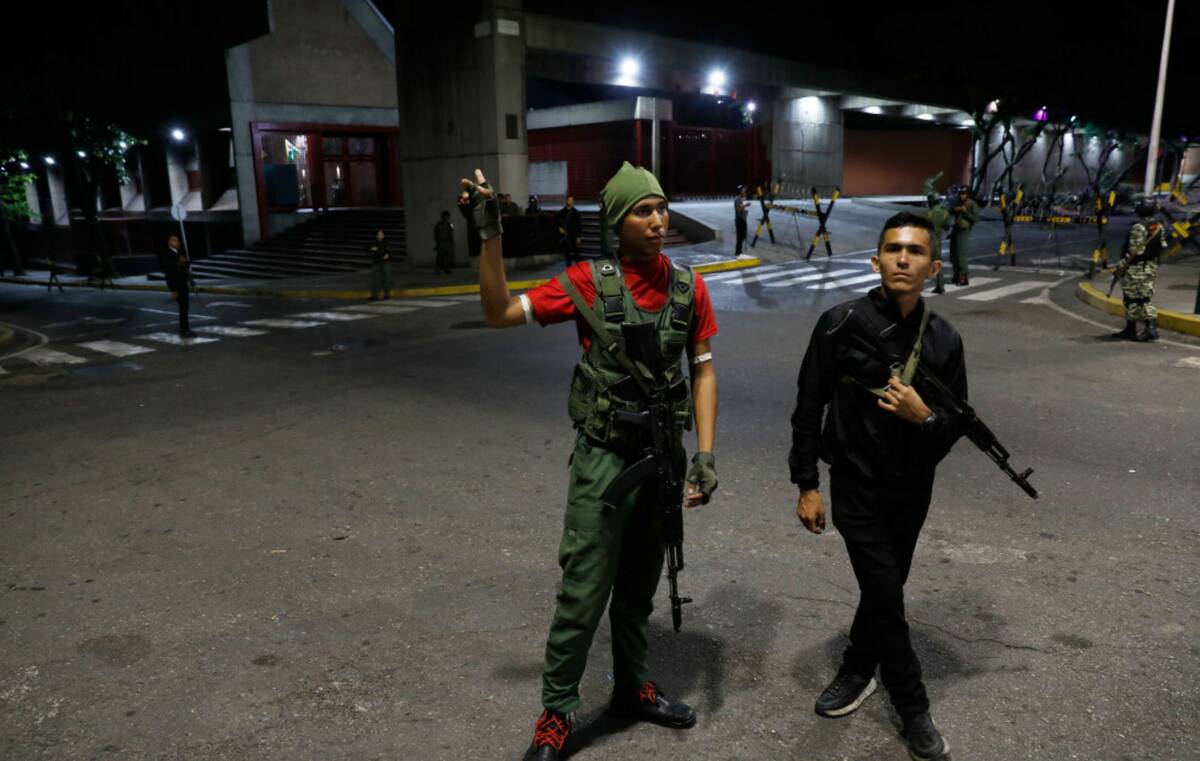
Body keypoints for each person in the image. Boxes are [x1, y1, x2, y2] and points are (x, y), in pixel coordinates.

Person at [458, 162, 719, 761]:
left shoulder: (688, 287)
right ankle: (556, 714)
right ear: (616, 222)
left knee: (638, 588)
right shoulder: (582, 282)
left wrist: (704, 453)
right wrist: (489, 234)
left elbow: (702, 372)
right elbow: (497, 312)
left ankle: (632, 688)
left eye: (660, 208)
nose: (657, 221)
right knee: (583, 591)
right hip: (604, 459)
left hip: (661, 459)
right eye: (642, 211)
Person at [789, 211, 966, 761]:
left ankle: (859, 664)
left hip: (913, 489)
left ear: (933, 267)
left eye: (915, 252)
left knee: (882, 592)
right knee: (887, 595)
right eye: (893, 249)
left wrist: (923, 419)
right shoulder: (840, 322)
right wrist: (807, 484)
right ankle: (913, 706)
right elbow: (808, 403)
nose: (903, 259)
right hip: (856, 487)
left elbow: (954, 426)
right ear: (877, 260)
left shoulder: (944, 339)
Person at [1111, 197, 1166, 342]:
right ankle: (1131, 329)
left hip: (1136, 267)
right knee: (1140, 297)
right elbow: (1161, 246)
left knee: (1136, 299)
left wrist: (1121, 266)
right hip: (1150, 266)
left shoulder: (1139, 227)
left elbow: (1135, 251)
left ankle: (1150, 329)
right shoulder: (1158, 225)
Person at [163, 234, 194, 337]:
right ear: (169, 242)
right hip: (177, 285)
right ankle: (183, 330)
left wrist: (186, 262)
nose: (177, 242)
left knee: (185, 308)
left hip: (183, 284)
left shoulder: (179, 253)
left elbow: (185, 266)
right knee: (183, 308)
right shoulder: (168, 255)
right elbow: (169, 274)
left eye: (178, 241)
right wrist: (173, 289)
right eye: (174, 240)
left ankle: (186, 329)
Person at [949, 186, 978, 286]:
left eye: (964, 194)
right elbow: (950, 210)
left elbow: (976, 218)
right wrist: (956, 209)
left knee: (961, 254)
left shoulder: (971, 204)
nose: (962, 196)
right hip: (956, 229)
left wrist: (965, 212)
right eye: (961, 194)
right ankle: (956, 275)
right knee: (953, 254)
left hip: (963, 230)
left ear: (968, 194)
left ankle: (963, 278)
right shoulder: (958, 202)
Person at [924, 193, 949, 294]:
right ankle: (940, 285)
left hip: (928, 241)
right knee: (937, 264)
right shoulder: (945, 213)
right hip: (938, 241)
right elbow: (947, 227)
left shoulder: (929, 213)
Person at [556, 195, 583, 265]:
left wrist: (579, 237)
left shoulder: (576, 213)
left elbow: (579, 225)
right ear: (566, 201)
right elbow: (557, 221)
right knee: (567, 254)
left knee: (576, 253)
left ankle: (578, 268)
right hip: (566, 235)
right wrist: (560, 228)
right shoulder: (562, 212)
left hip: (573, 235)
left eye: (571, 200)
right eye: (569, 200)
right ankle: (569, 268)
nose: (570, 202)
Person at [368, 229, 392, 298]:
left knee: (386, 278)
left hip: (385, 262)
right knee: (375, 279)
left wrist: (388, 254)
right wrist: (371, 249)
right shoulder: (374, 242)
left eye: (382, 234)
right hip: (376, 262)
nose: (381, 235)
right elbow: (368, 249)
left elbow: (389, 251)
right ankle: (375, 295)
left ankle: (387, 295)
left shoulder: (386, 242)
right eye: (379, 234)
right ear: (376, 235)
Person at [433, 211, 455, 276]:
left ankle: (447, 269)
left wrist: (452, 243)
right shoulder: (439, 224)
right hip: (441, 242)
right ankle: (438, 270)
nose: (446, 218)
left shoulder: (450, 224)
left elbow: (451, 233)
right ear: (443, 217)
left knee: (448, 257)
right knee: (439, 257)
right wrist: (437, 241)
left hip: (448, 242)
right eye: (445, 216)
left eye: (447, 216)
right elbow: (435, 233)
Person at [734, 186, 749, 255]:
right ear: (740, 192)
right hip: (739, 220)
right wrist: (745, 205)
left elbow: (742, 209)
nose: (745, 191)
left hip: (743, 219)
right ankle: (738, 251)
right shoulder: (737, 199)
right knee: (740, 236)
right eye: (743, 190)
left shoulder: (743, 199)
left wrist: (745, 212)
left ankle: (739, 250)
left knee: (743, 235)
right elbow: (738, 210)